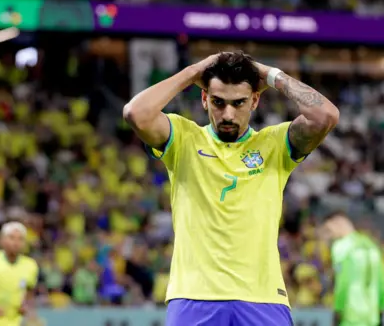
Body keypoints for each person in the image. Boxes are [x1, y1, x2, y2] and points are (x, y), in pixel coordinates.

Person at [123, 51, 339, 326]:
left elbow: (326, 116)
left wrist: (270, 74)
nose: (228, 114)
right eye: (218, 102)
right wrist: (193, 72)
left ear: (255, 101)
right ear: (204, 99)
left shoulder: (273, 144)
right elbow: (135, 113)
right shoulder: (184, 138)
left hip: (262, 299)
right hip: (194, 297)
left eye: (238, 103)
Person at [321, 211, 384, 326]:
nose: (330, 236)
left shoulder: (341, 247)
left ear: (338, 224)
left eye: (329, 230)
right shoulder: (371, 245)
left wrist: (338, 310)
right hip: (372, 317)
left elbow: (343, 281)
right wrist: (380, 308)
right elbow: (380, 280)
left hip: (351, 315)